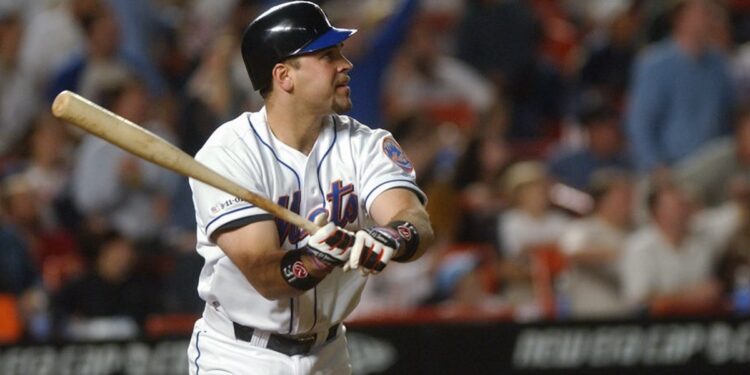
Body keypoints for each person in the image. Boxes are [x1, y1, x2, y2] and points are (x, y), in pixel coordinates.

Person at [186, 2, 434, 374]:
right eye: (327, 56)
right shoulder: (229, 154)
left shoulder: (364, 144)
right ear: (284, 76)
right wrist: (317, 259)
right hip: (239, 354)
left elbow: (416, 220)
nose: (345, 65)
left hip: (328, 351)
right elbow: (265, 275)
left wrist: (388, 237)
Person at [624, 0, 735, 175]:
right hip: (672, 168)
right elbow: (640, 124)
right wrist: (654, 166)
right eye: (702, 12)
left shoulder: (719, 64)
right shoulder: (655, 64)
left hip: (714, 170)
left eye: (710, 13)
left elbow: (730, 119)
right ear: (680, 17)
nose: (708, 18)